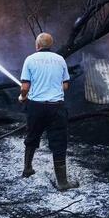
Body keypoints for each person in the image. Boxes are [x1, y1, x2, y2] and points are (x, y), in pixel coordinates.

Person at [19, 32, 79, 191]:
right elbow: (65, 85)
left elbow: (25, 87)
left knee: (32, 136)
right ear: (50, 45)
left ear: (37, 45)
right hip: (56, 108)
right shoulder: (60, 60)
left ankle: (27, 169)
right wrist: (52, 88)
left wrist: (22, 97)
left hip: (36, 107)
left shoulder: (30, 59)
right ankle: (62, 183)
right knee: (59, 142)